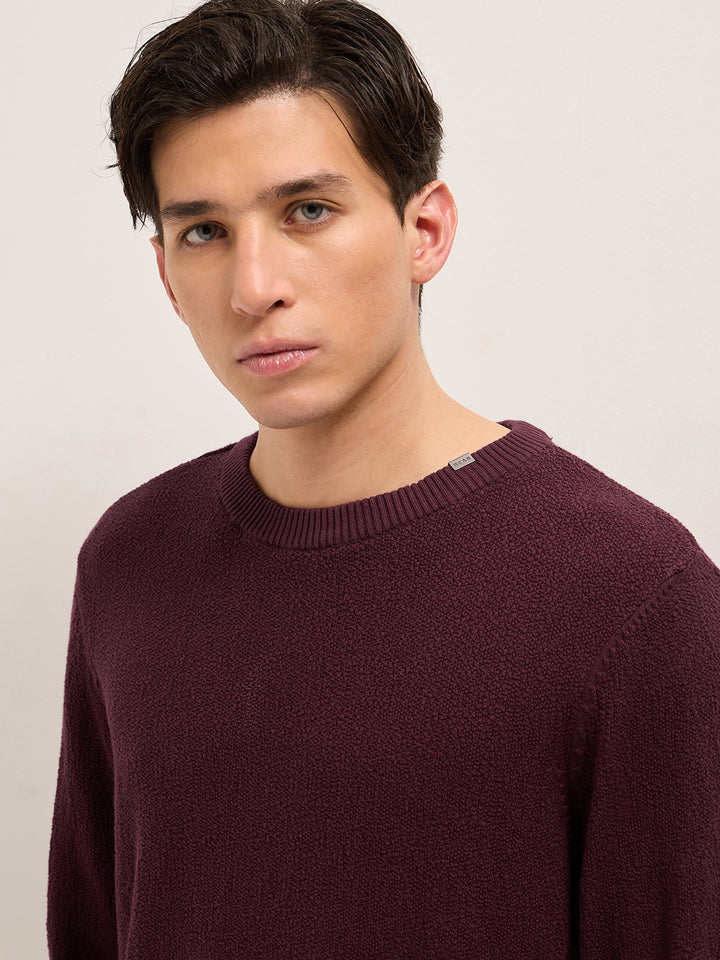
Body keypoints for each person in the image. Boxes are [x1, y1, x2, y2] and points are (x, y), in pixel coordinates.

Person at [47, 0, 720, 956]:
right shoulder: (130, 560)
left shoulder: (633, 595)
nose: (254, 287)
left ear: (425, 230)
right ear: (165, 274)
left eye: (307, 211)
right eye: (204, 232)